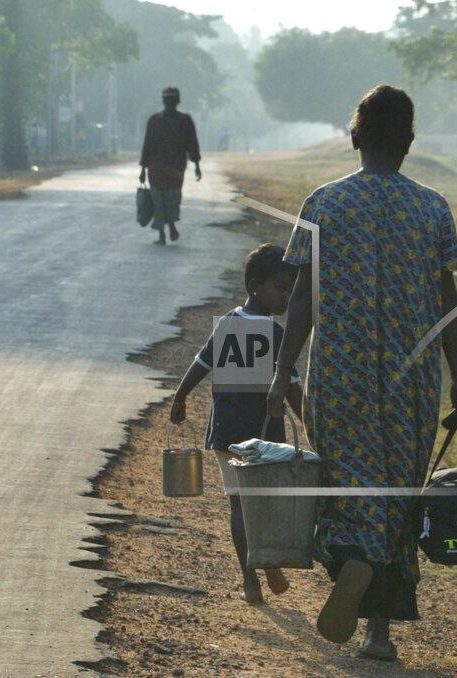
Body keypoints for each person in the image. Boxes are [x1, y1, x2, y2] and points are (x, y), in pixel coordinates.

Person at [265, 84, 457, 662]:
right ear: (408, 142)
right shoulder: (432, 206)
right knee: (400, 495)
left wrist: (283, 372)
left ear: (355, 137)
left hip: (339, 375)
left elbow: (302, 299)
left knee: (343, 482)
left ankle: (349, 556)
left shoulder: (323, 204)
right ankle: (379, 633)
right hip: (412, 383)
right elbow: (446, 302)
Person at [169, 244, 303, 604]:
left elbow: (202, 363)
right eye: (281, 287)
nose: (287, 296)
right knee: (260, 503)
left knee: (241, 505)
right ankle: (257, 569)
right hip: (262, 435)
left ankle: (252, 574)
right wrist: (310, 423)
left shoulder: (229, 322)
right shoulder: (277, 335)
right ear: (255, 285)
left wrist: (181, 395)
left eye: (292, 288)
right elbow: (290, 388)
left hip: (226, 431)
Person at [139, 86, 202, 245]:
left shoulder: (183, 121)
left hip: (172, 169)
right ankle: (164, 232)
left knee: (169, 200)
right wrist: (143, 169)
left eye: (171, 100)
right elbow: (148, 145)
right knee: (160, 201)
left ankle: (169, 229)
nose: (169, 103)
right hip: (161, 169)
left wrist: (197, 164)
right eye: (168, 100)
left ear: (176, 101)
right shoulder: (155, 121)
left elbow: (192, 143)